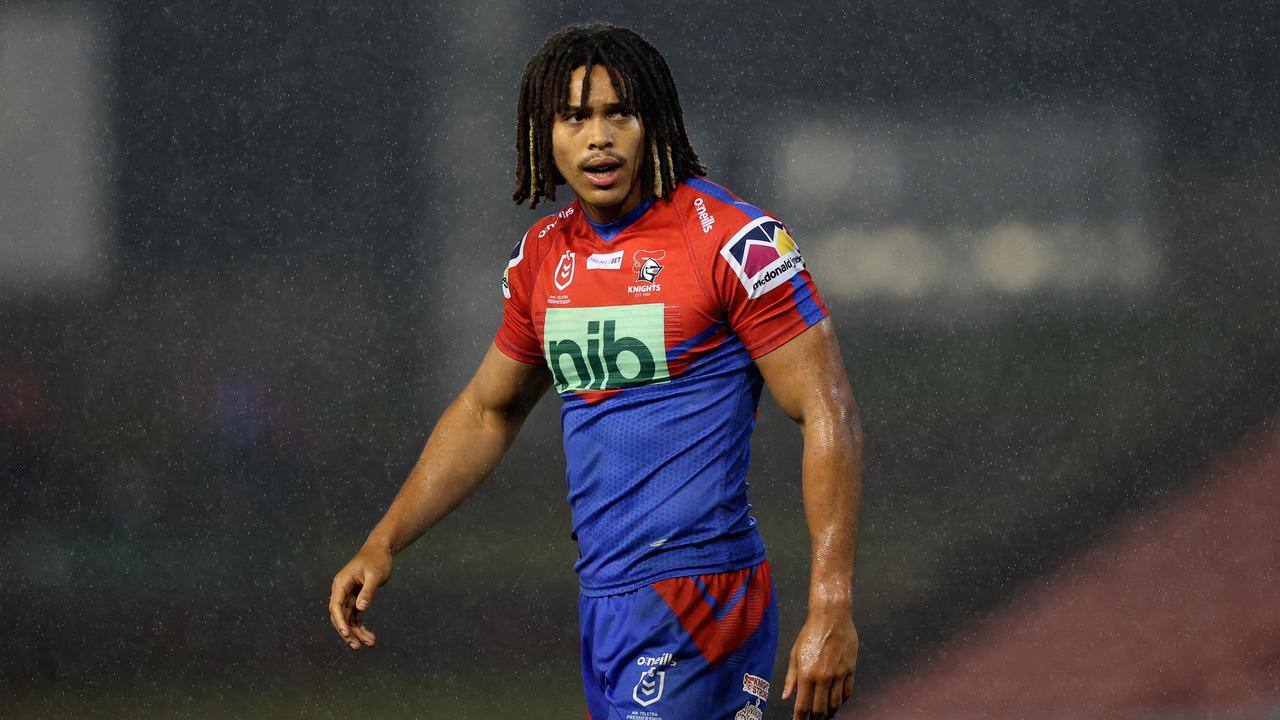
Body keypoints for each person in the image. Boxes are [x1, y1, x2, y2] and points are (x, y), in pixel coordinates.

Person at [328, 23, 863, 720]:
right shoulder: (544, 259)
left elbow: (829, 410)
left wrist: (831, 605)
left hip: (700, 597)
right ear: (543, 135)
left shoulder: (733, 241)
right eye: (575, 117)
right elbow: (489, 411)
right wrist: (384, 540)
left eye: (619, 113)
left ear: (656, 123)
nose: (599, 137)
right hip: (607, 605)